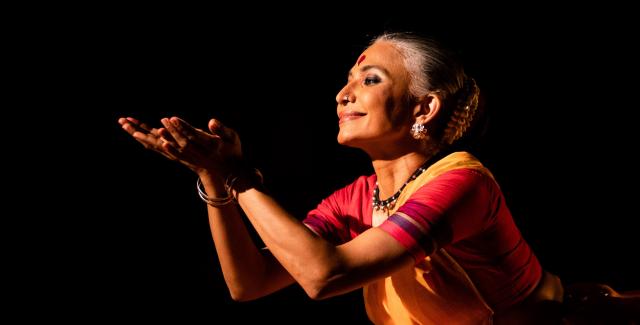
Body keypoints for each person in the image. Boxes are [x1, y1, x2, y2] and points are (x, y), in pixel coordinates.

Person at [118, 32, 566, 324]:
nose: (342, 94)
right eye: (347, 80)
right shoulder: (357, 199)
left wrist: (236, 177)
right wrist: (212, 178)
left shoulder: (463, 183)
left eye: (370, 80)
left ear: (423, 108)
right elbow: (250, 283)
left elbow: (324, 276)